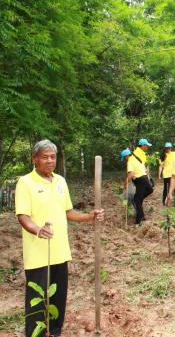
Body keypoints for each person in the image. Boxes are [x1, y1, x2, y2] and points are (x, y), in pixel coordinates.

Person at [15, 139, 104, 337]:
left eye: (52, 157)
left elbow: (68, 212)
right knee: (37, 300)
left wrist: (89, 217)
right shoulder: (25, 182)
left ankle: (54, 332)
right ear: (35, 159)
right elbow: (23, 216)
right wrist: (37, 230)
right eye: (44, 157)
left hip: (60, 252)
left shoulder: (60, 181)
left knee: (57, 301)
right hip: (38, 254)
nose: (49, 161)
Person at [125, 139, 154, 225]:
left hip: (141, 180)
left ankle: (139, 221)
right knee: (139, 199)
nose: (147, 147)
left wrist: (124, 185)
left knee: (137, 200)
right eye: (147, 145)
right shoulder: (136, 156)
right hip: (143, 179)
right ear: (143, 146)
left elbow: (131, 175)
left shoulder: (132, 159)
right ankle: (142, 217)